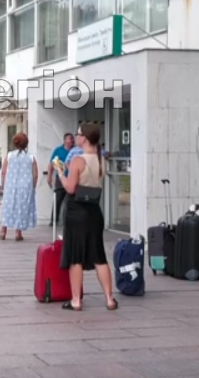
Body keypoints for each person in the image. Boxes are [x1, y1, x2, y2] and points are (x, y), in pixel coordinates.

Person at [54, 123, 117, 312]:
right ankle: (109, 299)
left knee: (76, 257)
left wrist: (60, 173)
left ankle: (76, 300)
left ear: (85, 138)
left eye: (78, 134)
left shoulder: (78, 160)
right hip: (94, 211)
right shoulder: (101, 159)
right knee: (99, 256)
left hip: (76, 211)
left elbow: (70, 188)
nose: (76, 136)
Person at [0, 132, 38, 241]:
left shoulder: (9, 155)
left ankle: (3, 231)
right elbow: (35, 174)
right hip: (25, 186)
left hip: (11, 185)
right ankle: (18, 233)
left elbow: (3, 172)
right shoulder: (31, 157)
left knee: (8, 206)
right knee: (21, 207)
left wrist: (2, 185)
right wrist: (33, 187)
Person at [48, 133, 74, 227]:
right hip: (60, 178)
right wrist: (49, 176)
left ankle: (68, 221)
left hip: (71, 179)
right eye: (70, 139)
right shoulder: (58, 150)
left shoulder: (74, 151)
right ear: (65, 140)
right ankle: (53, 220)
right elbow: (51, 164)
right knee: (57, 200)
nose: (72, 141)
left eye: (72, 139)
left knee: (70, 201)